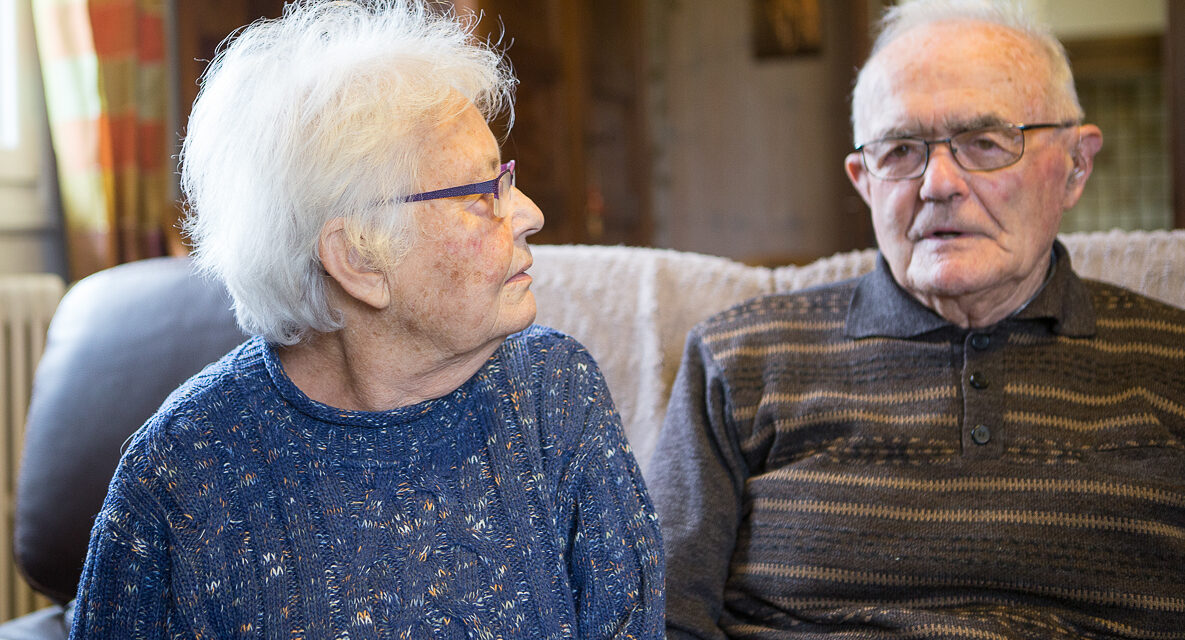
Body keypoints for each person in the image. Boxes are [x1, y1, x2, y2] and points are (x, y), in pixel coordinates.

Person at [68, 1, 663, 638]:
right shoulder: (180, 474)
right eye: (478, 193)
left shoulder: (554, 392)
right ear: (358, 260)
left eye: (506, 178)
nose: (530, 214)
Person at [648, 0, 1185, 637]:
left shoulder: (1172, 360)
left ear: (1075, 166)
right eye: (901, 150)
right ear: (863, 179)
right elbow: (655, 615)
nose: (938, 183)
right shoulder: (739, 360)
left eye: (985, 143)